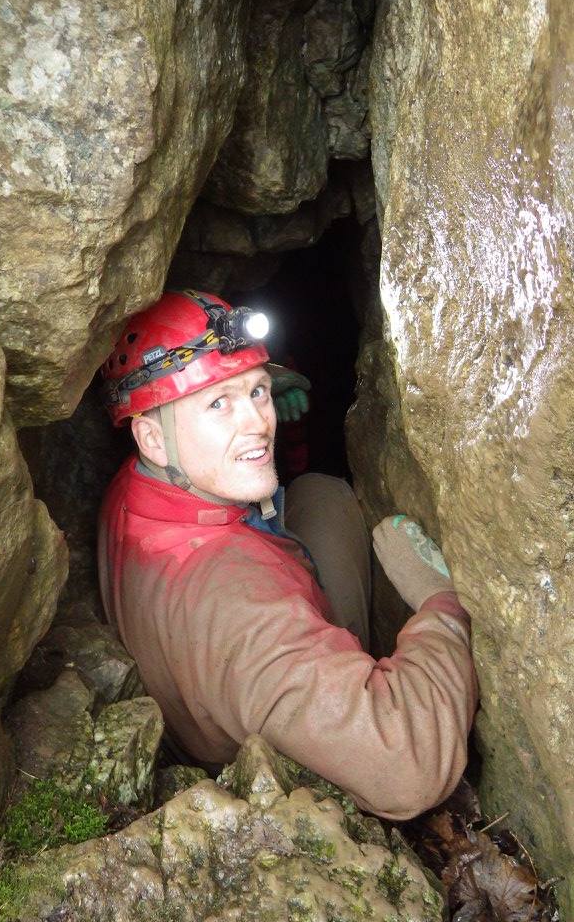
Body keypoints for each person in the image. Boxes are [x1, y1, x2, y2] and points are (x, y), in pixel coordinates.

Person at [98, 289, 478, 820]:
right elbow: (406, 769)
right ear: (152, 439)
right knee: (331, 495)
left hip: (203, 686)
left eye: (256, 392)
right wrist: (441, 608)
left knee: (316, 493)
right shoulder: (242, 605)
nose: (258, 422)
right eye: (218, 404)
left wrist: (259, 390)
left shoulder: (140, 480)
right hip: (269, 738)